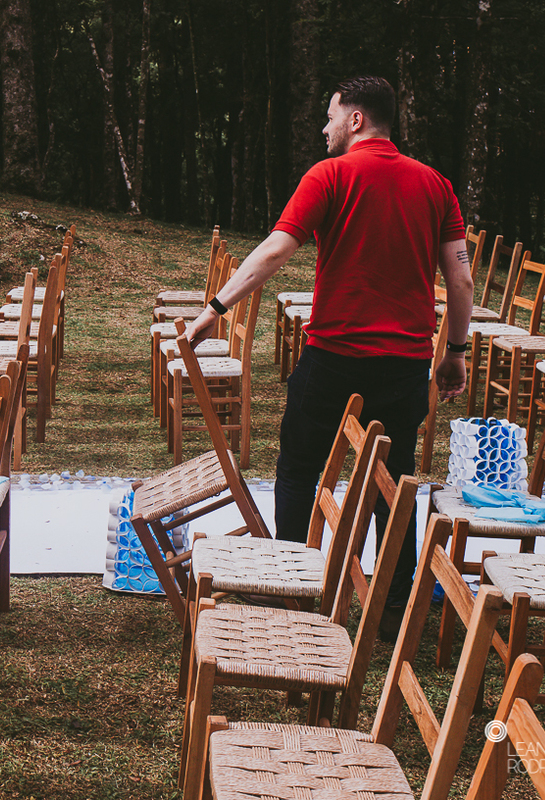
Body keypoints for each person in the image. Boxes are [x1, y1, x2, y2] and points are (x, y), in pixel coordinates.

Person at [186, 76, 474, 634]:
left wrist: (215, 308)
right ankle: (392, 609)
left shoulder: (329, 175)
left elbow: (275, 251)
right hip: (405, 366)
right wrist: (455, 352)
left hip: (334, 357)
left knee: (298, 469)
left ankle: (291, 589)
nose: (325, 127)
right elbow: (460, 281)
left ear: (356, 119)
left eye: (330, 116)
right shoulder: (436, 184)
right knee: (396, 483)